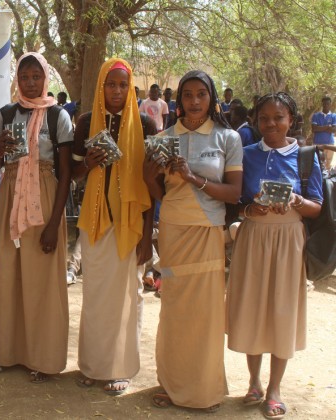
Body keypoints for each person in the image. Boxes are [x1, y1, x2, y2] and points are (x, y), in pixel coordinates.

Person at [143, 70, 243, 412]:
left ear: (211, 98)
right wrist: (147, 172)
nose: (195, 101)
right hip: (172, 230)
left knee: (206, 311)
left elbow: (234, 192)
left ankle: (204, 389)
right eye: (188, 95)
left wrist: (192, 177)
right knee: (173, 305)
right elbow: (156, 192)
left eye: (202, 94)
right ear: (179, 100)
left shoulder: (228, 138)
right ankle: (172, 385)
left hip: (207, 232)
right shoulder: (163, 137)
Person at [226, 93, 323, 420]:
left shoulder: (306, 156)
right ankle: (253, 382)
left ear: (291, 119)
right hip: (253, 236)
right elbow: (236, 201)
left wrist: (295, 200)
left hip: (288, 240)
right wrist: (251, 207)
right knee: (252, 307)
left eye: (278, 117)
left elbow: (317, 207)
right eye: (264, 118)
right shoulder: (247, 154)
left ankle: (274, 389)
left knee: (282, 311)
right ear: (256, 121)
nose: (271, 124)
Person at [72, 58, 155, 395]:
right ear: (101, 86)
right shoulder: (87, 122)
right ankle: (93, 366)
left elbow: (151, 184)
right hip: (95, 223)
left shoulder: (146, 124)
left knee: (126, 297)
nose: (117, 91)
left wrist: (148, 236)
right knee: (94, 295)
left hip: (131, 224)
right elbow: (71, 174)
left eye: (123, 85)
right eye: (111, 84)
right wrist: (88, 165)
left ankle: (120, 368)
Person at [0, 52, 73, 384]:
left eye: (36, 76)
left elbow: (65, 174)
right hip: (10, 194)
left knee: (43, 280)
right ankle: (9, 354)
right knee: (9, 274)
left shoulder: (58, 117)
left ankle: (44, 358)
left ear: (45, 78)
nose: (31, 82)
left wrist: (54, 223)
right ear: (17, 80)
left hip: (44, 196)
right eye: (25, 76)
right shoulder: (5, 114)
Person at [311, 96, 335, 170]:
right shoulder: (316, 116)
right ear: (322, 104)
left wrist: (320, 128)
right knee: (316, 163)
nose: (326, 106)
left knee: (328, 164)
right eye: (324, 104)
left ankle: (326, 180)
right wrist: (328, 126)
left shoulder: (334, 116)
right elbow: (314, 129)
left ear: (330, 104)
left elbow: (334, 130)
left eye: (327, 104)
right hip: (317, 143)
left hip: (329, 143)